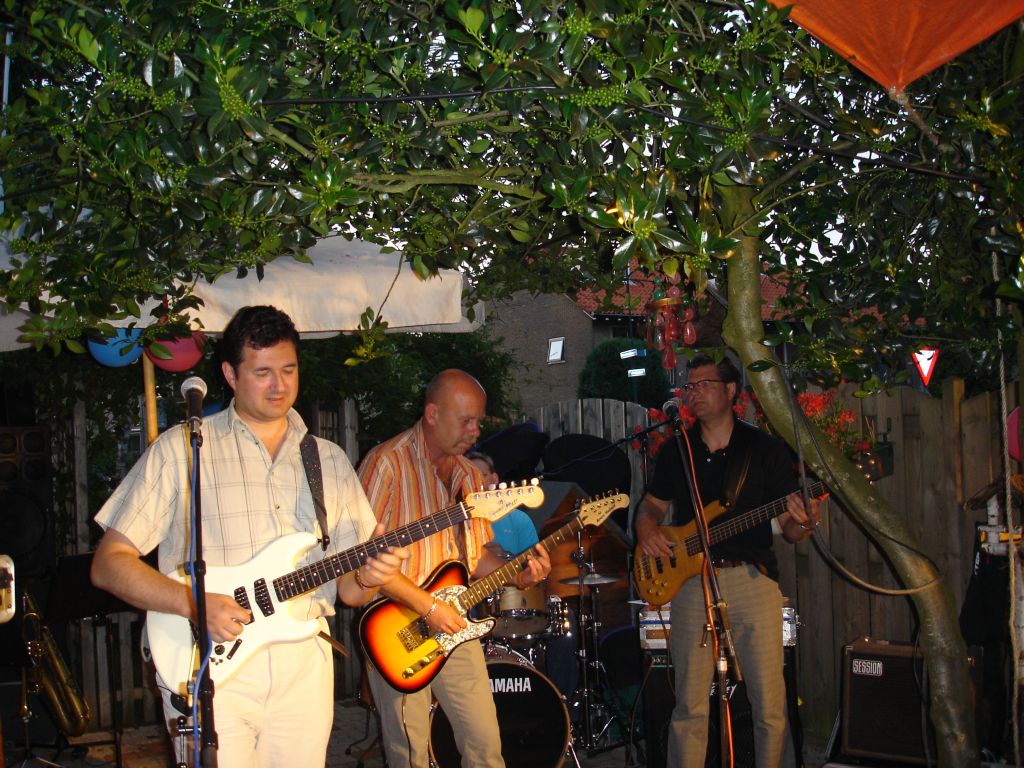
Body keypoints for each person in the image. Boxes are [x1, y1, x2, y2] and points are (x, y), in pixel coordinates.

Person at [90, 305, 407, 768]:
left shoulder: (329, 460)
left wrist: (370, 576)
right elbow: (108, 563)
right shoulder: (182, 449)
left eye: (288, 370)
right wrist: (192, 603)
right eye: (262, 373)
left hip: (305, 663)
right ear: (230, 375)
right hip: (210, 663)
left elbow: (349, 592)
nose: (279, 385)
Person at [357, 369, 552, 768]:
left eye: (478, 421)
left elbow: (476, 557)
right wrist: (428, 606)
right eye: (466, 420)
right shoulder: (385, 463)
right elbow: (361, 561)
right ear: (432, 414)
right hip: (396, 628)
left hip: (456, 623)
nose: (475, 431)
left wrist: (519, 574)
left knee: (485, 745)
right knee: (409, 753)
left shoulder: (470, 475)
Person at [634, 354, 815, 768]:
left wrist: (804, 521)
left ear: (731, 391)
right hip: (691, 583)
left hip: (752, 580)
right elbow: (653, 505)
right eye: (689, 386)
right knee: (689, 707)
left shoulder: (765, 449)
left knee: (770, 704)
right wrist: (645, 528)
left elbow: (791, 529)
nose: (693, 393)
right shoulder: (678, 449)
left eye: (704, 384)